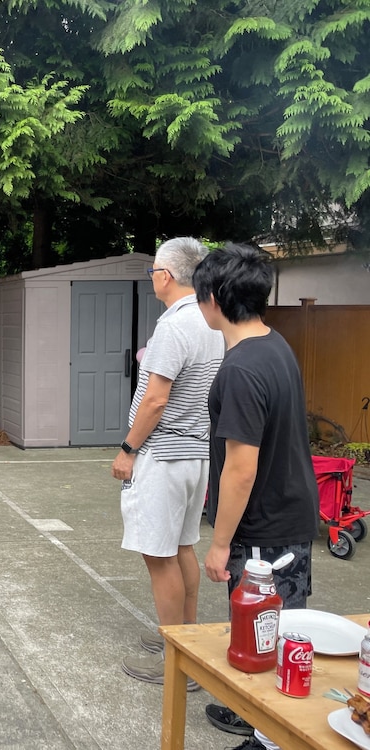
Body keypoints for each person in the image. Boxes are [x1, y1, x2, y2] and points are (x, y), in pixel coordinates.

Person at [193, 244, 320, 750]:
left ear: (214, 299)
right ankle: (250, 711)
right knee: (267, 627)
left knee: (266, 627)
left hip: (266, 526)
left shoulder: (242, 368)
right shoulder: (274, 344)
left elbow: (241, 470)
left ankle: (269, 738)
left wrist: (221, 543)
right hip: (286, 511)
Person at [112, 238, 225, 687]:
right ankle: (186, 642)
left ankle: (177, 663)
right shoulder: (211, 321)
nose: (152, 278)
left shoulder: (174, 326)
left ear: (166, 275)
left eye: (153, 271)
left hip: (164, 453)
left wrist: (127, 449)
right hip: (197, 452)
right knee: (181, 548)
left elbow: (156, 399)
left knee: (159, 557)